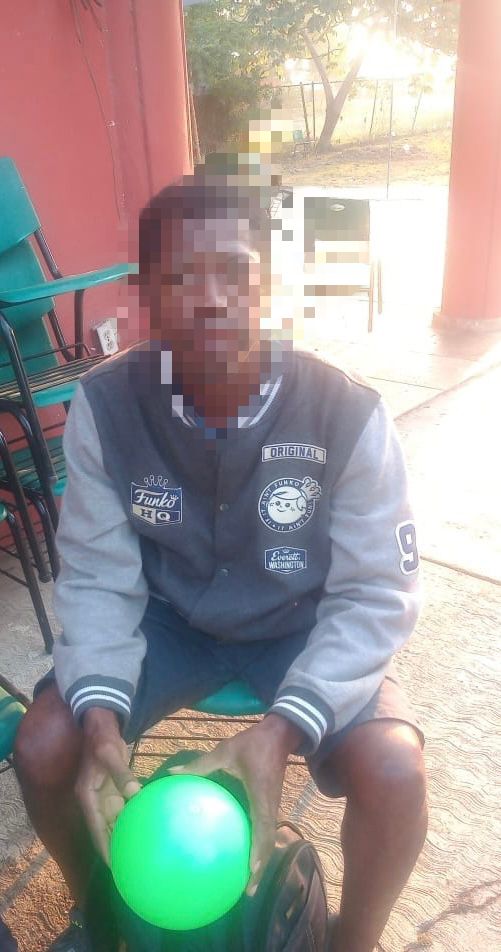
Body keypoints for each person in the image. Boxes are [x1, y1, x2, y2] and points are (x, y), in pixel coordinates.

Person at [14, 168, 427, 952]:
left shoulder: (346, 412)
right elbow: (97, 576)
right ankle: (99, 911)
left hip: (300, 625)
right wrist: (98, 713)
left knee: (394, 773)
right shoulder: (107, 404)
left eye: (234, 271)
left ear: (271, 285)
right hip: (168, 621)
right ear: (146, 294)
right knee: (43, 747)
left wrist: (285, 727)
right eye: (180, 277)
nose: (208, 298)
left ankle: (354, 942)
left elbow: (377, 593)